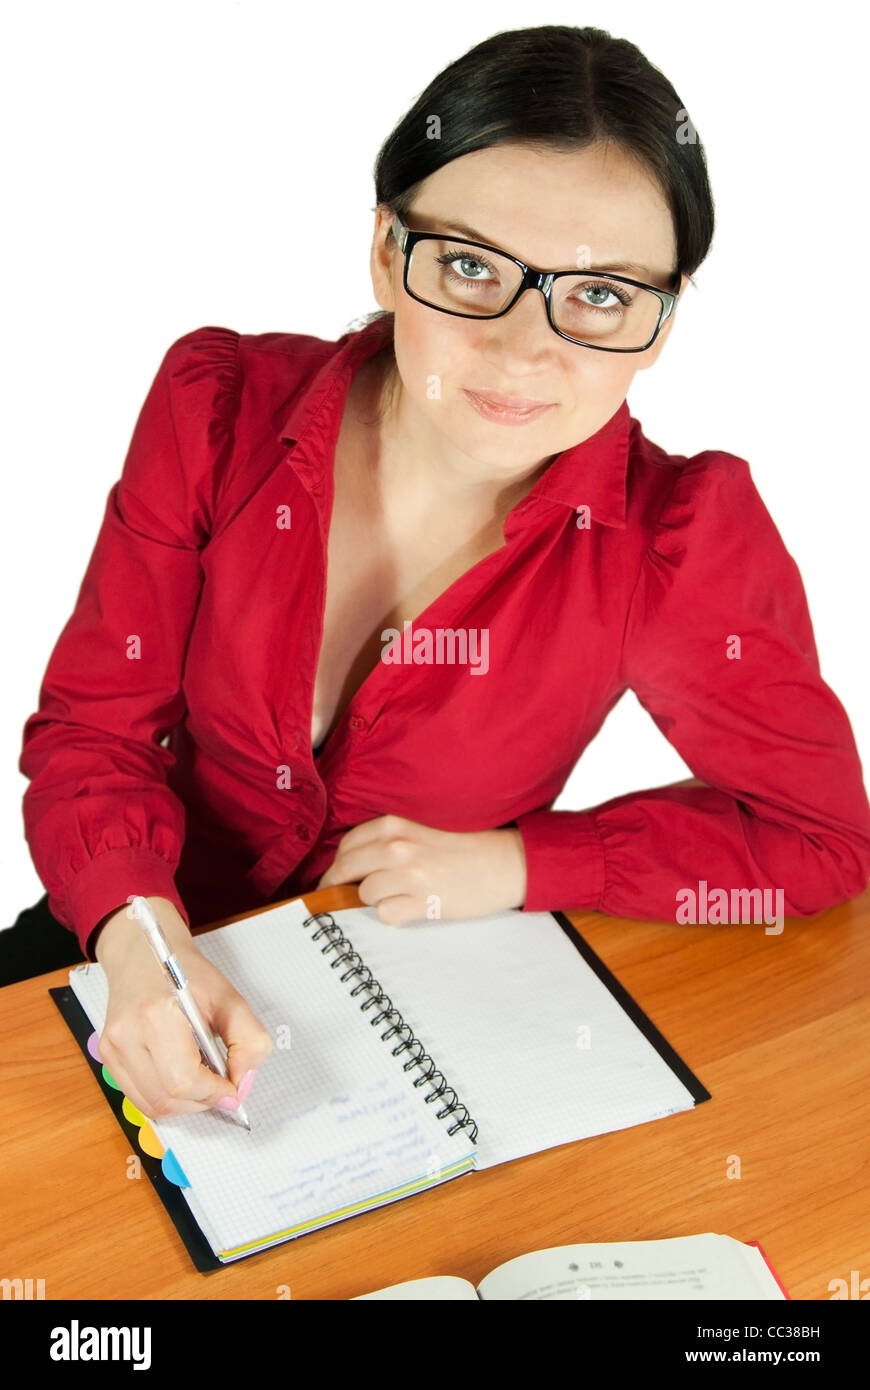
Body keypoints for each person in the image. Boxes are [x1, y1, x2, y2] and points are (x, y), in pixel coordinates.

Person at [12, 25, 870, 1125]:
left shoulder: (680, 539)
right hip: (125, 927)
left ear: (663, 319)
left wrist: (524, 865)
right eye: (471, 266)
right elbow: (97, 731)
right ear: (385, 253)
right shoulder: (216, 406)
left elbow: (819, 839)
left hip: (404, 1012)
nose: (524, 349)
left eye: (602, 294)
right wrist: (140, 938)